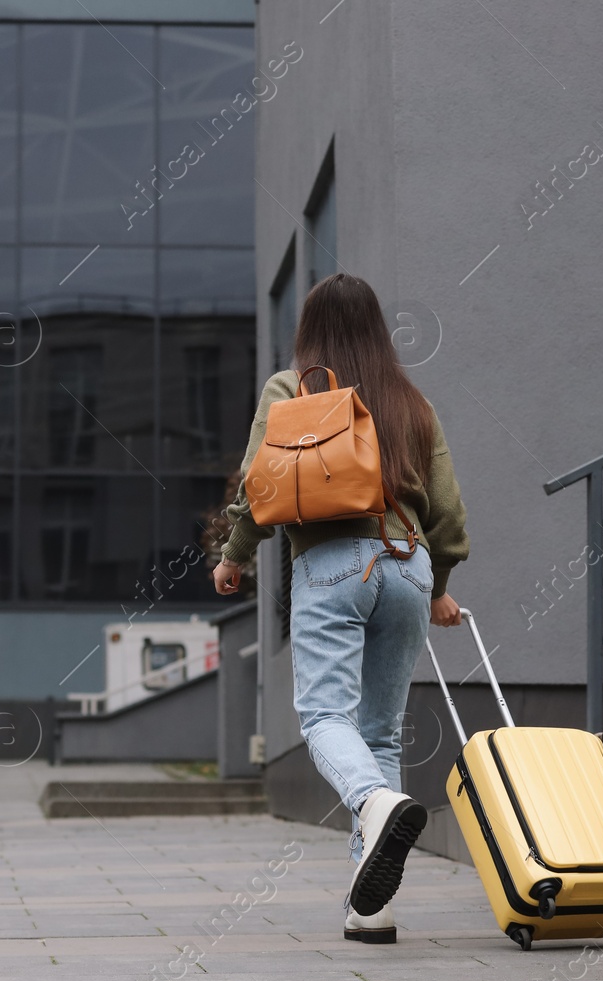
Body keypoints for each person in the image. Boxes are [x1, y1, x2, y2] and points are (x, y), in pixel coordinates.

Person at [212, 272, 469, 945]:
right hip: (409, 565)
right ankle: (370, 908)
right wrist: (438, 586)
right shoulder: (412, 402)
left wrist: (234, 553)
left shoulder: (290, 388)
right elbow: (447, 513)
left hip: (331, 565)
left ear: (310, 332)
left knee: (325, 715)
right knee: (380, 733)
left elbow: (259, 481)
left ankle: (373, 800)